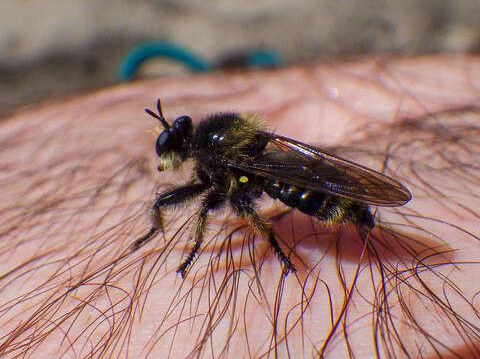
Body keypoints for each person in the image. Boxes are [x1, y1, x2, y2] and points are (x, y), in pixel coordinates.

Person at [1, 56, 479, 358]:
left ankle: (266, 236)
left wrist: (262, 241)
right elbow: (289, 164)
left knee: (218, 198)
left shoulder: (215, 155)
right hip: (292, 172)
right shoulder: (225, 141)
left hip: (299, 188)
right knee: (230, 191)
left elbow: (228, 202)